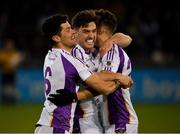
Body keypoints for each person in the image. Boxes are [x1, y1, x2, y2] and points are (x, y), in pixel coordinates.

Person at [35, 14, 133, 134]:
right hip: (57, 126)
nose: (73, 32)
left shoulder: (51, 55)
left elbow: (125, 38)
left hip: (48, 123)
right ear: (56, 38)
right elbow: (105, 88)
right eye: (68, 30)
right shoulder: (71, 60)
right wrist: (120, 78)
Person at [95, 9, 139, 133]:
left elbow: (104, 75)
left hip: (121, 121)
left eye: (93, 30)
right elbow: (126, 38)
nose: (90, 34)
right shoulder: (102, 50)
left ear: (101, 31)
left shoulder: (111, 51)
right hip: (113, 122)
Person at [0, 38, 24, 104]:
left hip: (12, 73)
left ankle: (11, 101)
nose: (10, 46)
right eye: (9, 45)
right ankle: (5, 101)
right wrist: (10, 63)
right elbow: (2, 62)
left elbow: (20, 59)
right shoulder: (3, 53)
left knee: (12, 87)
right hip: (5, 73)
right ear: (6, 45)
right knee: (5, 88)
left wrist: (17, 61)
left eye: (11, 45)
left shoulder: (14, 53)